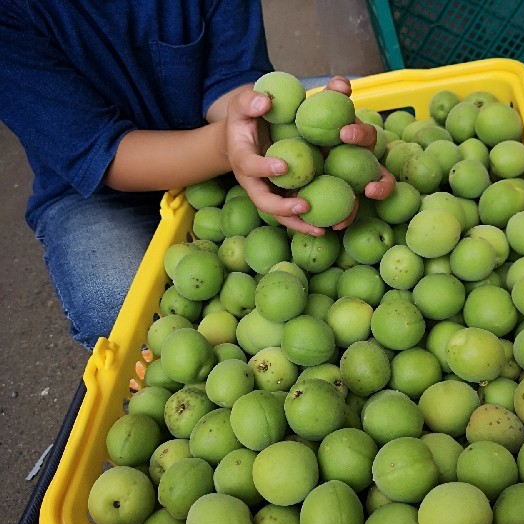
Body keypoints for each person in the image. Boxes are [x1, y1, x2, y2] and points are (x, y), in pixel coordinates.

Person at [0, 1, 394, 350]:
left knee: (368, 106)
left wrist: (262, 128)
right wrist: (227, 147)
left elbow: (232, 78)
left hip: (222, 142)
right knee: (117, 308)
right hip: (94, 188)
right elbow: (101, 152)